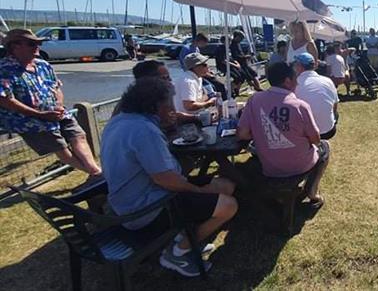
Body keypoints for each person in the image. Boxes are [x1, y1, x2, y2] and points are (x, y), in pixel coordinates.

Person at [101, 77, 237, 277]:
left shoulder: (119, 121)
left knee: (226, 185)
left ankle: (184, 238)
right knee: (229, 205)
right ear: (155, 106)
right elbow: (167, 180)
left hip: (132, 199)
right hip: (146, 209)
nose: (172, 109)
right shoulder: (144, 130)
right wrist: (198, 191)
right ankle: (178, 252)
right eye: (169, 104)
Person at [0, 29, 103, 178]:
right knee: (61, 148)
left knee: (78, 135)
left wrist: (59, 106)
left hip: (56, 113)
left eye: (38, 43)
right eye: (31, 44)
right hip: (30, 119)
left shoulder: (43, 65)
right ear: (14, 46)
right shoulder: (4, 69)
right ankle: (98, 174)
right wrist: (40, 114)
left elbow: (56, 87)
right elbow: (5, 99)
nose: (36, 47)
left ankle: (95, 172)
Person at [236, 62, 329, 207]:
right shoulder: (300, 106)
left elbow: (242, 134)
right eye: (295, 79)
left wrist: (263, 134)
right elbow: (316, 139)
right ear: (287, 81)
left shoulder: (254, 100)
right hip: (299, 165)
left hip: (269, 166)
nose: (297, 83)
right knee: (325, 146)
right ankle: (312, 191)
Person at [293, 53, 339, 139]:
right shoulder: (327, 80)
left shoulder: (294, 83)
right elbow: (335, 106)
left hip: (307, 133)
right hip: (328, 130)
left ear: (299, 66)